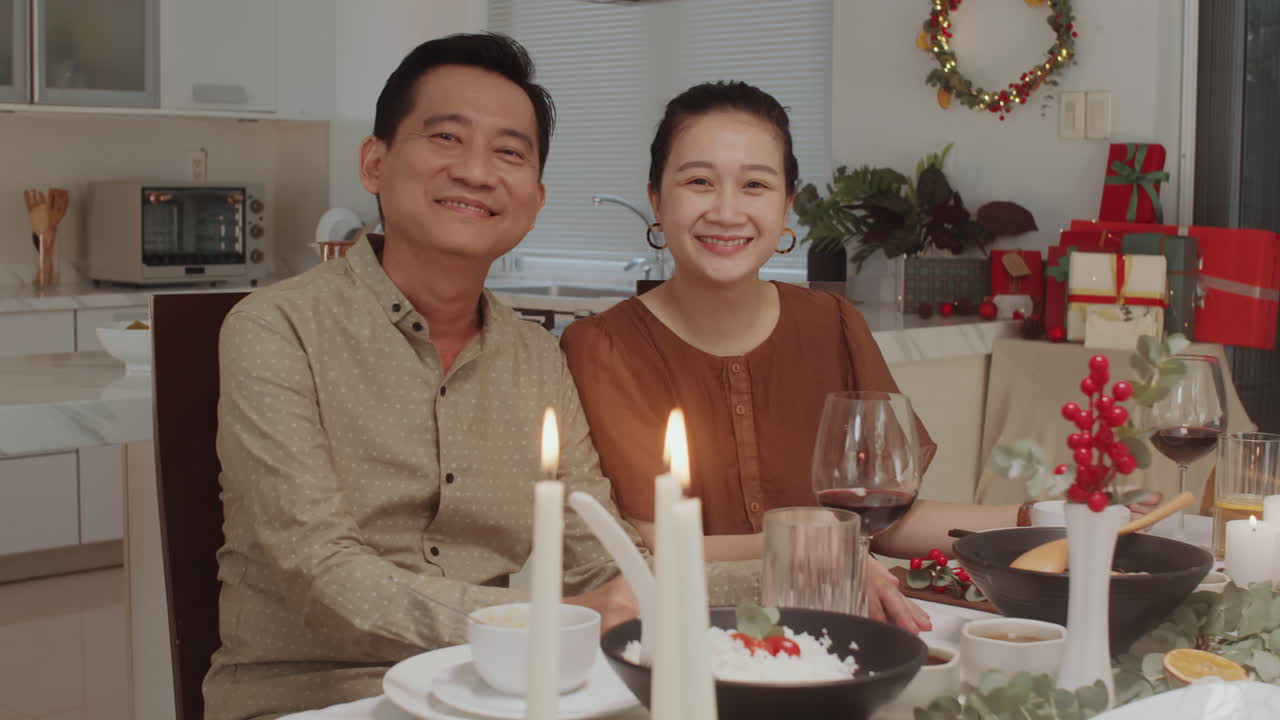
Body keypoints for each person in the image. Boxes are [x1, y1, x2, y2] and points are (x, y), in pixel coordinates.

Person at [204, 36, 755, 720]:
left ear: (536, 195)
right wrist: (556, 616)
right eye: (446, 138)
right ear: (375, 163)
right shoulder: (277, 328)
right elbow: (326, 579)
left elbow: (597, 560)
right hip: (314, 696)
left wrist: (811, 571)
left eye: (509, 153)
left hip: (497, 691)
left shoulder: (536, 358)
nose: (476, 171)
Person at [560, 81, 1157, 633]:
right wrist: (812, 541)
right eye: (697, 182)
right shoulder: (601, 347)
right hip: (677, 636)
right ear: (655, 201)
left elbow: (887, 516)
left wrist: (1048, 518)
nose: (726, 210)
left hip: (843, 626)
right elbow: (646, 540)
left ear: (787, 205)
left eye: (755, 185)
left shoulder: (833, 325)